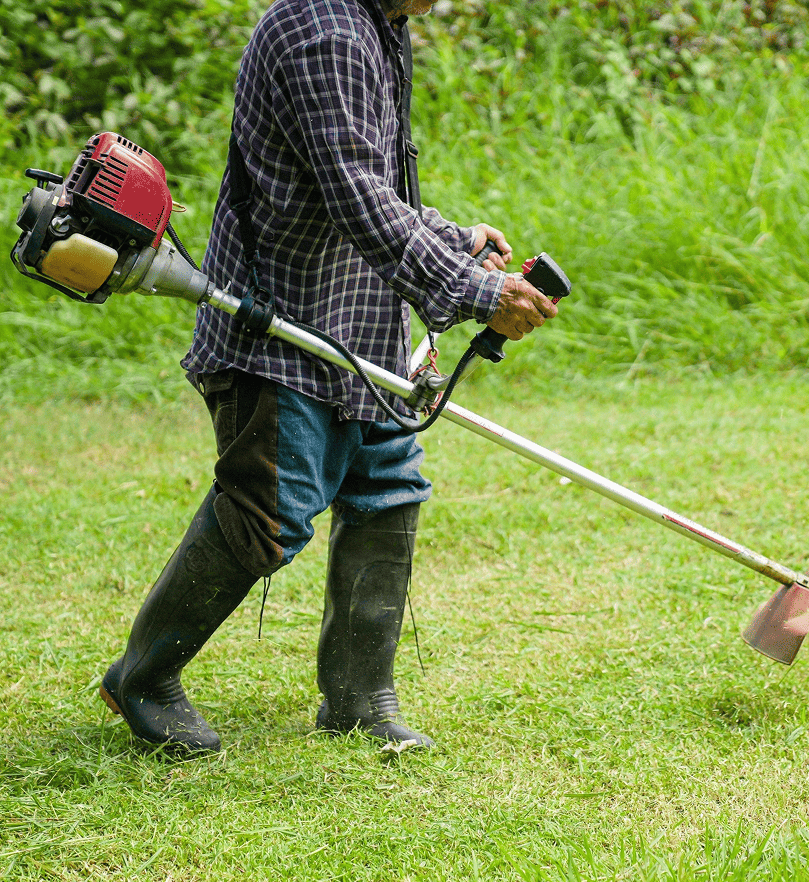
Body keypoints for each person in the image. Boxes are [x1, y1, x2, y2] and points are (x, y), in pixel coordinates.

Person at [98, 0, 558, 756]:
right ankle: (141, 678)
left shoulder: (381, 24)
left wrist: (451, 239)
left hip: (359, 321)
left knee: (387, 487)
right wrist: (477, 292)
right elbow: (356, 197)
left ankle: (358, 697)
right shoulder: (329, 32)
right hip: (282, 328)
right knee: (267, 511)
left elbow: (374, 183)